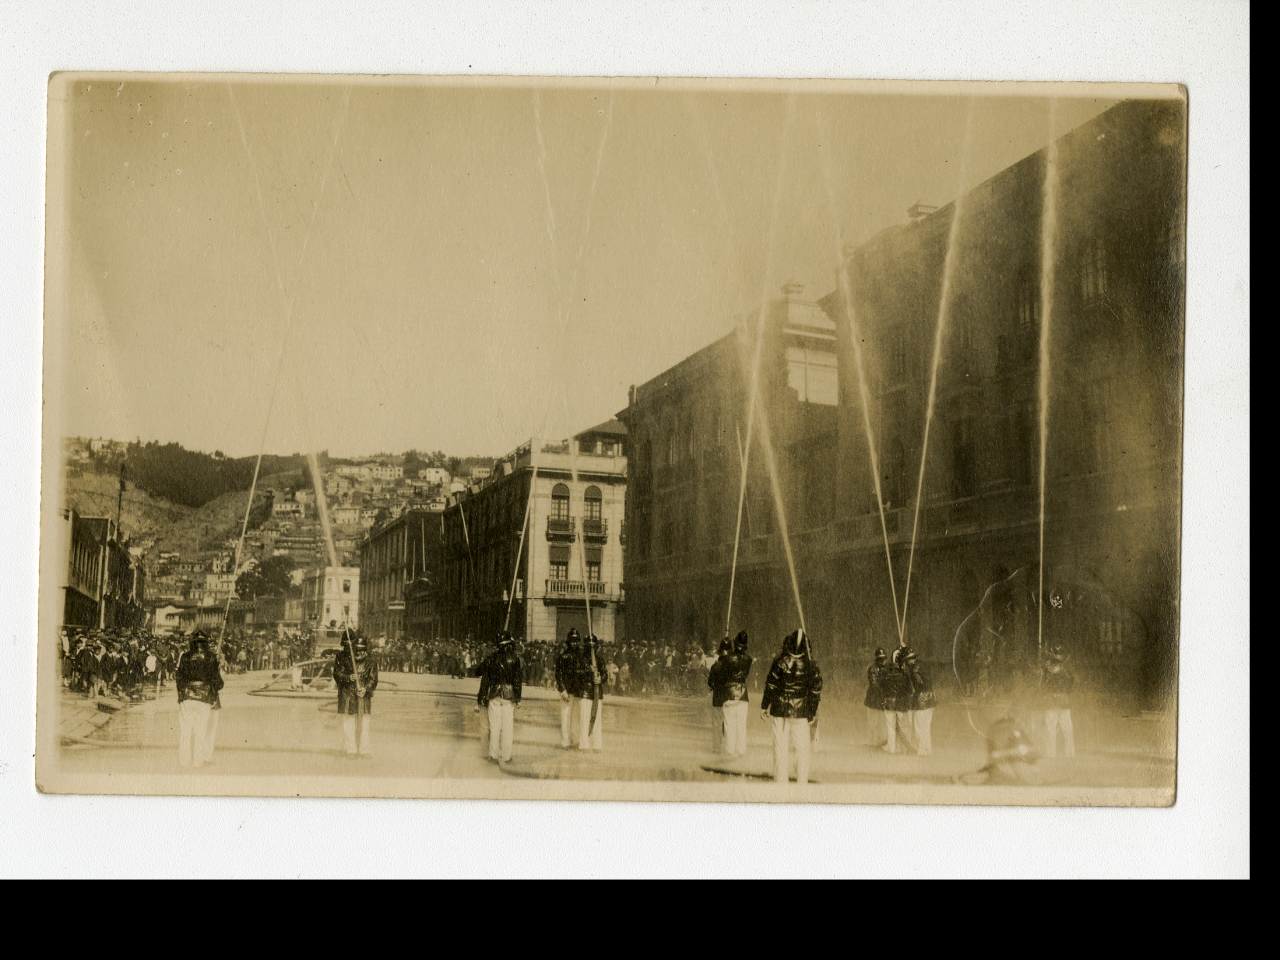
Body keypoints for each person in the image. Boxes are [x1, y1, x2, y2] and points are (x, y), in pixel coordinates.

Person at [760, 628, 822, 785]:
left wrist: (765, 705)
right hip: (801, 712)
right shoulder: (811, 665)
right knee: (802, 749)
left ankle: (781, 780)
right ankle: (802, 779)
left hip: (780, 710)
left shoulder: (780, 661)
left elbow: (771, 684)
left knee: (780, 747)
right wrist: (812, 712)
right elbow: (815, 691)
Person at [175, 631, 223, 770]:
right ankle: (197, 761)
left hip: (187, 696)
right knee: (201, 730)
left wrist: (181, 695)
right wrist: (217, 667)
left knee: (185, 730)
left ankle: (184, 761)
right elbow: (218, 683)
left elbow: (179, 677)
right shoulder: (211, 657)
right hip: (204, 696)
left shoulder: (185, 656)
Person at [477, 631, 523, 763]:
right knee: (508, 727)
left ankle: (493, 755)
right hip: (509, 695)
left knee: (494, 726)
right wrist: (518, 698)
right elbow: (517, 681)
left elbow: (478, 671)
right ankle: (507, 755)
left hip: (494, 694)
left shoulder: (492, 658)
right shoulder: (515, 659)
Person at [333, 631, 378, 758]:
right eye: (356, 650)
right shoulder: (345, 660)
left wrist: (366, 689)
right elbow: (337, 674)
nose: (358, 653)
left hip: (363, 697)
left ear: (366, 650)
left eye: (362, 650)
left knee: (364, 724)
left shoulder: (371, 663)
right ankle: (351, 749)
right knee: (348, 724)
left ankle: (364, 750)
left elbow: (373, 679)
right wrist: (348, 677)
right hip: (348, 696)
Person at [1041, 645, 1076, 759]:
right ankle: (1069, 754)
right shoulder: (1068, 669)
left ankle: (1051, 754)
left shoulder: (1046, 669)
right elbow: (1072, 684)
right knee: (1067, 730)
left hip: (1051, 700)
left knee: (1051, 729)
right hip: (1063, 700)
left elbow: (1042, 685)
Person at [903, 647, 937, 757]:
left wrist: (921, 692)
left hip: (921, 701)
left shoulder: (914, 669)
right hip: (930, 700)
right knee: (926, 726)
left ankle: (921, 750)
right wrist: (929, 691)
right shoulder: (923, 665)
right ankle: (928, 749)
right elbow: (929, 679)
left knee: (919, 727)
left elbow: (918, 682)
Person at [881, 648, 913, 754]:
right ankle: (905, 747)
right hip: (901, 704)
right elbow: (909, 690)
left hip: (889, 703)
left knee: (891, 727)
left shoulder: (886, 673)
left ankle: (892, 748)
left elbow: (882, 687)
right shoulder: (905, 675)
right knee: (904, 727)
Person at [577, 633, 606, 750]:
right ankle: (584, 745)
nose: (592, 648)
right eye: (589, 646)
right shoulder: (581, 659)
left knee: (597, 720)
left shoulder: (599, 660)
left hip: (597, 693)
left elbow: (604, 674)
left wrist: (600, 679)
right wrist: (588, 671)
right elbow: (577, 673)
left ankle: (597, 744)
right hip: (585, 693)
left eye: (594, 646)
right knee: (584, 720)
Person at [555, 629, 581, 748]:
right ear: (568, 642)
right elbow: (559, 675)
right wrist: (562, 690)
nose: (574, 643)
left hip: (578, 691)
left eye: (576, 641)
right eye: (572, 641)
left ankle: (575, 740)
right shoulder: (563, 657)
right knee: (565, 716)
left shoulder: (581, 656)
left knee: (576, 717)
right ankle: (565, 741)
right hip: (567, 691)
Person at [864, 648, 889, 746]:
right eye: (880, 659)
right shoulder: (873, 669)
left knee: (881, 721)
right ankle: (872, 741)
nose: (882, 661)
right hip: (873, 699)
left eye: (883, 659)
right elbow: (874, 684)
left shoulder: (886, 669)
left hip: (880, 698)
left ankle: (880, 740)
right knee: (873, 721)